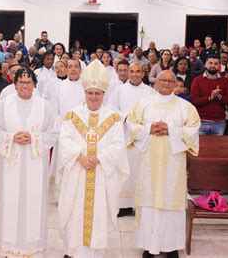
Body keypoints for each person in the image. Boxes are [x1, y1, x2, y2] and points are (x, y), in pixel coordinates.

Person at [57, 60, 129, 258]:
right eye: (90, 93)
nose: (94, 97)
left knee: (97, 215)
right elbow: (64, 139)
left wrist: (99, 159)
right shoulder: (72, 116)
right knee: (75, 212)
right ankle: (73, 251)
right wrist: (79, 157)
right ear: (85, 93)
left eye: (98, 93)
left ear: (104, 95)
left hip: (101, 175)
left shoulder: (113, 118)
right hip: (77, 172)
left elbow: (118, 145)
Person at [126, 69, 200, 258]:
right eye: (163, 80)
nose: (166, 83)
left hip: (173, 165)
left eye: (170, 81)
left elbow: (192, 129)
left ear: (176, 84)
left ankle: (171, 247)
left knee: (170, 203)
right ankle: (148, 246)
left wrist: (171, 130)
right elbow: (132, 125)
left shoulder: (185, 107)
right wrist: (150, 128)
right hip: (149, 164)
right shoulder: (144, 104)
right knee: (149, 203)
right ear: (155, 82)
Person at [0, 67, 59, 257]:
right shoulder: (4, 104)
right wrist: (11, 138)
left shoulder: (45, 106)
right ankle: (10, 247)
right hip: (11, 163)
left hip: (35, 163)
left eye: (29, 82)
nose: (25, 85)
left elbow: (53, 132)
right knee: (11, 201)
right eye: (22, 82)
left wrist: (34, 139)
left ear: (34, 85)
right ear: (15, 84)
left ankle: (33, 248)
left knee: (34, 201)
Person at [108, 62, 155, 216]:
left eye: (138, 71)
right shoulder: (118, 91)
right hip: (124, 134)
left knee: (140, 169)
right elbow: (111, 109)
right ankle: (123, 205)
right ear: (127, 73)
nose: (134, 74)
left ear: (143, 73)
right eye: (132, 71)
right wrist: (127, 117)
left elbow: (153, 111)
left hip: (142, 136)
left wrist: (141, 122)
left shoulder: (150, 92)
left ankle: (139, 204)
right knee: (124, 169)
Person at [48, 58, 85, 203]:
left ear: (80, 69)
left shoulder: (85, 86)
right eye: (70, 66)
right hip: (64, 131)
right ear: (66, 69)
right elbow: (54, 110)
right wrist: (64, 125)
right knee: (63, 163)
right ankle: (61, 195)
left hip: (82, 132)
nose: (73, 69)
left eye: (76, 66)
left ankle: (79, 194)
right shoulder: (59, 87)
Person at [190, 54, 228, 136]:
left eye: (216, 63)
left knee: (217, 147)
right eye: (210, 63)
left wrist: (219, 96)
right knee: (201, 147)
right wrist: (210, 97)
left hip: (219, 122)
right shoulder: (197, 80)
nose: (213, 66)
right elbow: (194, 100)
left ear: (219, 65)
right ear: (205, 64)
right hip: (201, 121)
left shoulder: (225, 81)